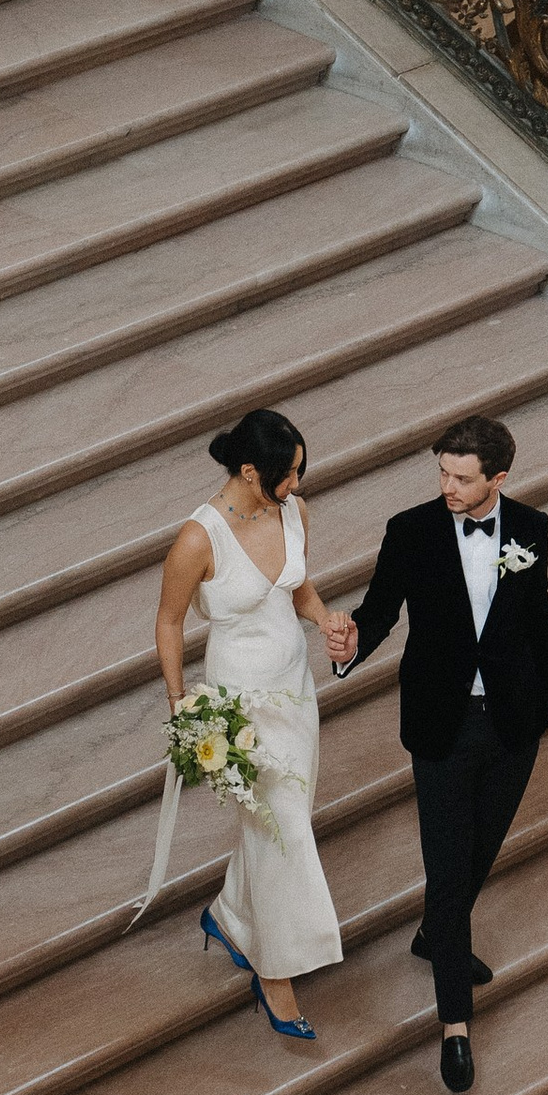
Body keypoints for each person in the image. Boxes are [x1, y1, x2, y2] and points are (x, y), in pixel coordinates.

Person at [334, 411, 548, 1094]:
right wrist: (351, 651)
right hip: (441, 722)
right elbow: (380, 610)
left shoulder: (530, 528)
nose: (448, 487)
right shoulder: (410, 531)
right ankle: (455, 1030)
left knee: (476, 855)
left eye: (463, 478)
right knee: (447, 859)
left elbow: (538, 616)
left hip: (514, 720)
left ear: (498, 477)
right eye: (441, 473)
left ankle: (435, 934)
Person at [151, 409, 353, 1041]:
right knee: (281, 827)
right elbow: (169, 620)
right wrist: (182, 701)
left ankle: (231, 915)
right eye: (286, 474)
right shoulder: (197, 538)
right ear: (247, 470)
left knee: (278, 823)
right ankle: (276, 972)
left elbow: (296, 589)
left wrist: (325, 620)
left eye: (298, 471)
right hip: (241, 704)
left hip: (296, 691)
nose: (295, 484)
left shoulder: (294, 509)